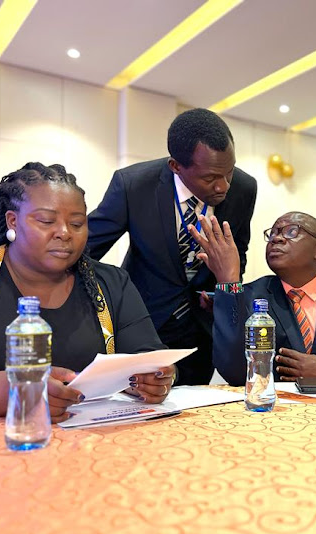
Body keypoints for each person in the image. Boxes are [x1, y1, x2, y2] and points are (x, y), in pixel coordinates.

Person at [0, 163, 174, 420]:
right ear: (12, 221)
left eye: (77, 224)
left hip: (95, 444)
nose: (65, 233)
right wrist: (21, 390)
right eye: (46, 221)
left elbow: (149, 355)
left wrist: (157, 379)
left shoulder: (112, 283)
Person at [87, 108, 257, 385]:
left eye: (229, 173)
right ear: (176, 166)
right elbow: (87, 249)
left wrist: (220, 295)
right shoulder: (133, 185)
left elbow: (238, 251)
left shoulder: (245, 188)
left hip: (201, 329)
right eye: (210, 178)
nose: (223, 186)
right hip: (143, 322)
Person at [188, 212, 316, 385]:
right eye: (273, 233)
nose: (277, 238)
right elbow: (234, 373)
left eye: (291, 231)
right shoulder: (248, 297)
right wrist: (228, 280)